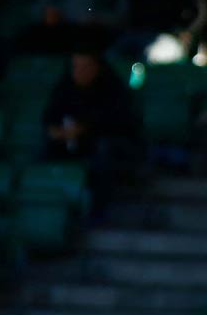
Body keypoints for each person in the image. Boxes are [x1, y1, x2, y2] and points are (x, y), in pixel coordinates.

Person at [42, 51, 138, 214]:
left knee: (104, 151)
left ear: (96, 68)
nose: (80, 71)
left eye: (85, 66)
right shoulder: (64, 88)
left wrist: (83, 129)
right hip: (69, 145)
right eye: (76, 66)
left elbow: (118, 122)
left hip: (104, 147)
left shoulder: (112, 89)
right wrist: (55, 131)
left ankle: (97, 210)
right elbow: (50, 118)